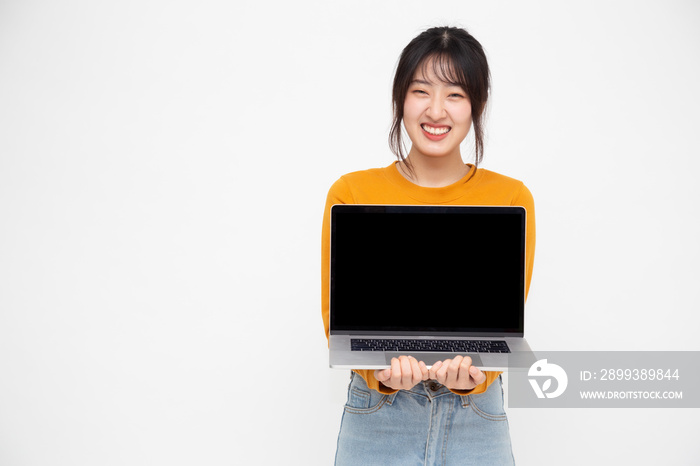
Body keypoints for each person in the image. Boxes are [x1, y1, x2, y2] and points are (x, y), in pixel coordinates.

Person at [321, 26, 535, 465]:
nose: (436, 110)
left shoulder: (512, 197)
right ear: (401, 99)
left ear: (476, 105)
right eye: (421, 91)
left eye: (455, 94)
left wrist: (474, 376)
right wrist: (379, 371)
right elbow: (337, 320)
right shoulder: (352, 191)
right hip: (377, 414)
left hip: (476, 414)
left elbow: (504, 326)